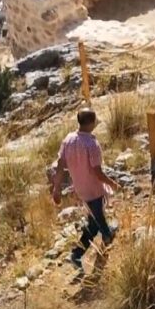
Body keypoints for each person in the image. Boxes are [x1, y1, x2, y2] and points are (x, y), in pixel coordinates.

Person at [52, 107, 122, 272]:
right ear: (91, 123)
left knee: (94, 221)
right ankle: (78, 254)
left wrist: (56, 189)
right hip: (93, 189)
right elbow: (97, 172)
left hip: (81, 188)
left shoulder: (68, 140)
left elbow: (60, 165)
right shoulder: (91, 144)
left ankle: (84, 249)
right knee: (100, 225)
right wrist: (112, 183)